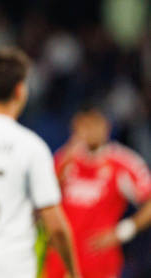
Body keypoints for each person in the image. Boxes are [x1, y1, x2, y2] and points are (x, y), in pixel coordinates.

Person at [0, 47, 80, 278]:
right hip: (12, 269)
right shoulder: (30, 146)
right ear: (20, 91)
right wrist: (73, 272)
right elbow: (56, 227)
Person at [44, 106, 151, 278]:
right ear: (74, 127)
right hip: (59, 260)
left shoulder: (122, 162)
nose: (89, 130)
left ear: (106, 126)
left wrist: (124, 230)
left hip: (99, 262)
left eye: (94, 124)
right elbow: (43, 199)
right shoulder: (65, 159)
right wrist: (60, 169)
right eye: (84, 124)